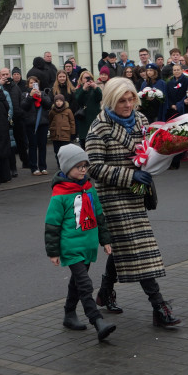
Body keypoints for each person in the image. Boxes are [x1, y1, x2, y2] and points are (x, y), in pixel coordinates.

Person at [85, 77, 180, 327]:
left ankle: (105, 292)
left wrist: (171, 156)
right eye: (122, 101)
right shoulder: (99, 127)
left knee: (125, 244)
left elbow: (150, 151)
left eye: (131, 100)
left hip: (138, 189)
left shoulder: (141, 120)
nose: (128, 105)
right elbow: (93, 167)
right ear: (110, 101)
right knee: (139, 246)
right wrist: (129, 174)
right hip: (112, 195)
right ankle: (159, 306)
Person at [45, 145, 116, 341]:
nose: (83, 170)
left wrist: (105, 240)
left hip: (88, 245)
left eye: (85, 165)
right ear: (67, 168)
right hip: (71, 247)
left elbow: (99, 215)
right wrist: (53, 251)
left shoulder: (89, 188)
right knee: (85, 284)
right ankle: (97, 321)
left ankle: (69, 314)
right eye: (78, 166)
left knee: (77, 283)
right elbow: (52, 224)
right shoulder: (60, 194)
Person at [21, 75, 52, 175]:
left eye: (34, 83)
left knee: (42, 145)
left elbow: (48, 105)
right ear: (28, 84)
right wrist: (30, 96)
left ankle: (43, 167)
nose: (33, 85)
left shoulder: (42, 93)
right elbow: (24, 106)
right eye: (31, 83)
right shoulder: (25, 94)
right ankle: (34, 167)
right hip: (31, 124)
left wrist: (41, 96)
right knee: (33, 146)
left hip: (42, 123)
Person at [73, 70, 103, 142]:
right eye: (85, 78)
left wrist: (96, 87)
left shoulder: (95, 89)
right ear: (81, 80)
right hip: (84, 119)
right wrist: (84, 89)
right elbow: (78, 100)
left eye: (89, 78)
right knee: (84, 141)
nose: (88, 79)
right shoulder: (79, 89)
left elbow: (100, 97)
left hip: (94, 118)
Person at [48, 92, 75, 160]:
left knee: (65, 152)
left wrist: (72, 133)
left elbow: (72, 122)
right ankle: (59, 165)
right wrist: (51, 129)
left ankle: (66, 166)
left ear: (63, 101)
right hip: (55, 135)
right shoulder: (52, 111)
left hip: (65, 134)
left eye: (60, 101)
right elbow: (50, 121)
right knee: (57, 152)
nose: (58, 102)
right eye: (57, 101)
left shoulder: (68, 111)